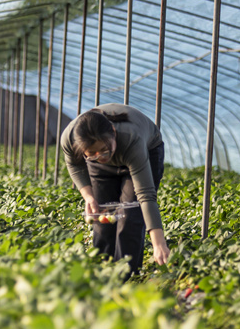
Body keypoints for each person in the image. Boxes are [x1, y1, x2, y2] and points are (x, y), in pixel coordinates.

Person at [60, 103, 169, 274]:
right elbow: (74, 166)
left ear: (113, 132)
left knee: (130, 216)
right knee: (102, 215)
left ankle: (125, 276)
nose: (101, 156)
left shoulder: (132, 139)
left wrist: (159, 244)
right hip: (103, 165)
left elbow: (146, 196)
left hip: (143, 151)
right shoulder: (70, 138)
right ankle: (101, 271)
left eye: (104, 150)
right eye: (92, 153)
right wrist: (88, 196)